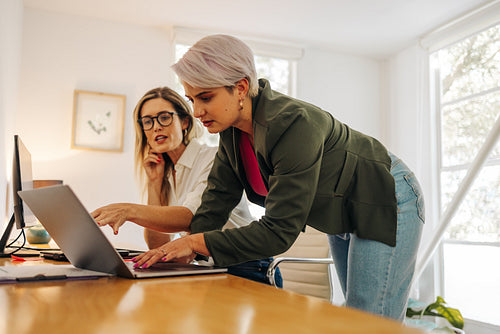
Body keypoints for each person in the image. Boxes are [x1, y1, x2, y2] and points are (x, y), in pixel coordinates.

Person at [132, 35, 424, 321]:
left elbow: (279, 231)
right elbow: (215, 204)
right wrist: (182, 251)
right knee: (357, 317)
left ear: (241, 88)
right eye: (191, 99)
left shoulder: (293, 123)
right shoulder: (231, 133)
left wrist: (195, 244)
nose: (196, 111)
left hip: (385, 196)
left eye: (205, 97)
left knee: (369, 320)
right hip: (342, 211)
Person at [91, 86, 282, 287]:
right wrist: (154, 184)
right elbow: (159, 244)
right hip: (208, 269)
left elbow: (194, 217)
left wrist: (128, 210)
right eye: (147, 121)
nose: (156, 127)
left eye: (164, 117)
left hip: (248, 268)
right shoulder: (165, 173)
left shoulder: (214, 158)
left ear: (184, 122)